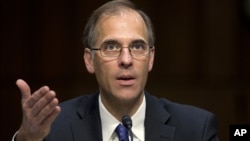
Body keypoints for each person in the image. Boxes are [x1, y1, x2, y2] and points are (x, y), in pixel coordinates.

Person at [12, 0, 218, 141]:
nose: (126, 60)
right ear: (89, 60)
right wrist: (28, 139)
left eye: (137, 46)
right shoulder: (53, 128)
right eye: (111, 47)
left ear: (151, 58)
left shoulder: (195, 129)